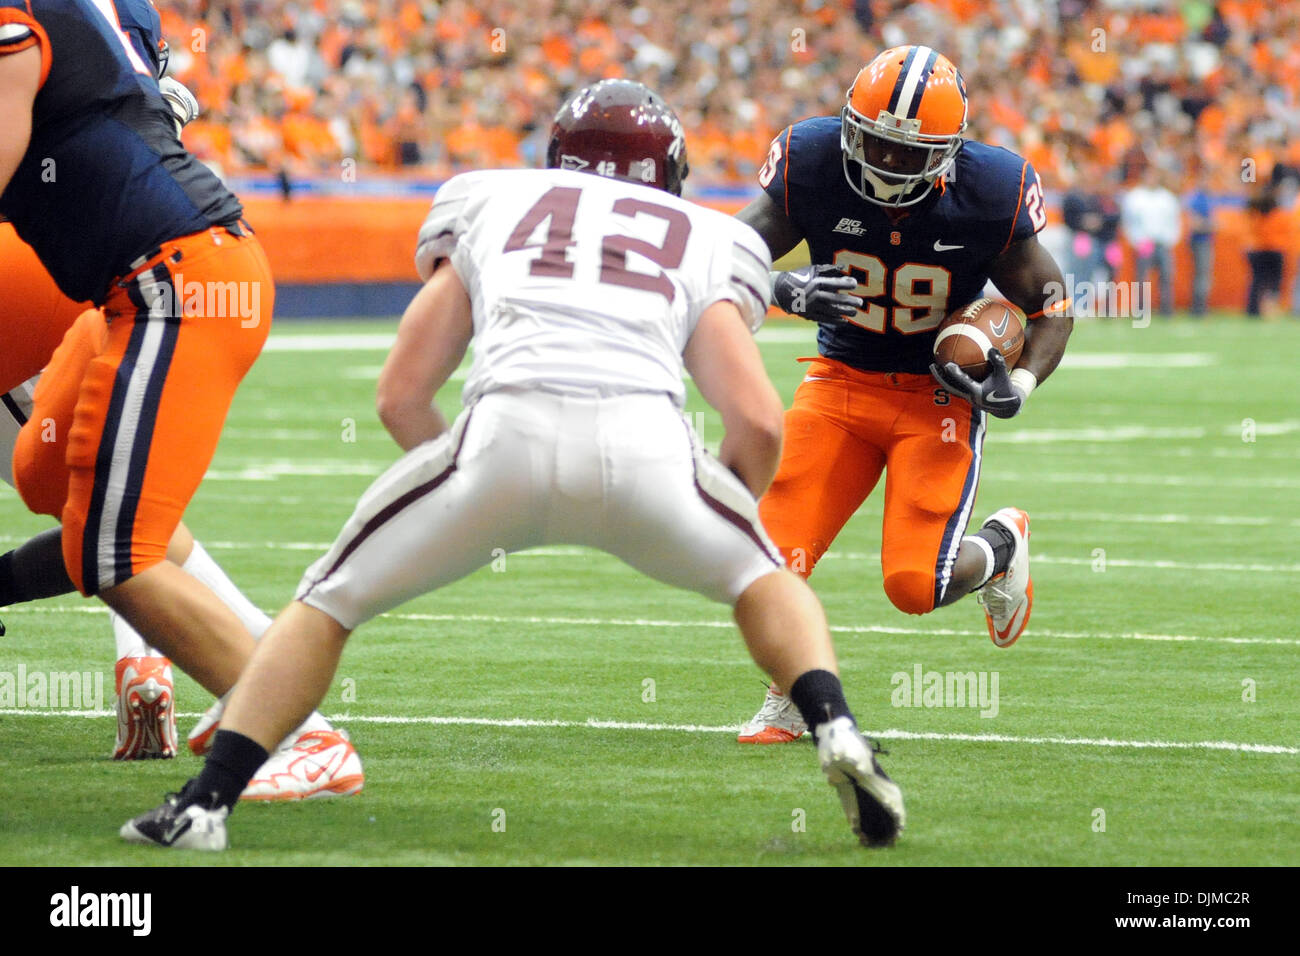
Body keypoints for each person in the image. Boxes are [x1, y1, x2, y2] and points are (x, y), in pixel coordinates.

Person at [121, 79, 906, 851]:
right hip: (647, 448)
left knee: (328, 603)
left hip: (505, 432)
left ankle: (207, 804)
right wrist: (721, 512)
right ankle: (835, 725)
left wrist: (458, 491)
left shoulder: (491, 200)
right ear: (669, 170)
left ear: (557, 154)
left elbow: (401, 393)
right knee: (763, 579)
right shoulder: (706, 235)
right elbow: (759, 421)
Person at [0, 0, 361, 795]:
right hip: (129, 289)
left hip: (176, 279)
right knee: (45, 476)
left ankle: (296, 733)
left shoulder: (18, 23)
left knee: (113, 549)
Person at [732, 45, 1073, 743]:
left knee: (915, 586)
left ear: (950, 152)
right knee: (770, 559)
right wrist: (777, 287)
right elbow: (723, 255)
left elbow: (1052, 302)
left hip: (936, 400)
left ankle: (1001, 547)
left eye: (907, 153)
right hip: (839, 384)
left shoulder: (991, 191)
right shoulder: (814, 159)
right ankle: (795, 695)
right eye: (876, 144)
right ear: (849, 127)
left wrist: (1021, 383)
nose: (886, 163)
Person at [1121, 165, 1181, 317]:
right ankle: (1141, 310)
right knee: (1142, 278)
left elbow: (1175, 221)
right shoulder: (1135, 197)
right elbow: (1128, 221)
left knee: (1166, 277)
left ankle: (1166, 310)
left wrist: (1171, 239)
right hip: (1144, 242)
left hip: (1162, 241)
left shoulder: (1167, 197)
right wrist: (1136, 240)